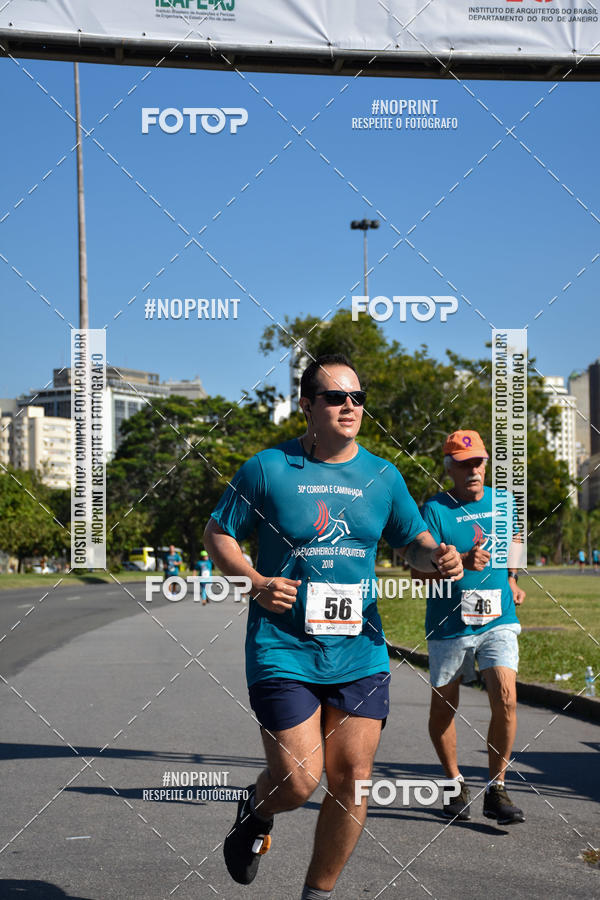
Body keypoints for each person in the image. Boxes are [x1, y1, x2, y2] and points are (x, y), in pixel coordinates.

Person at [203, 353, 463, 899]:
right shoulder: (267, 468)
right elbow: (219, 534)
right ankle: (255, 808)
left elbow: (412, 545)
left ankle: (317, 895)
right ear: (307, 406)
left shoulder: (383, 476)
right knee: (300, 781)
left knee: (351, 784)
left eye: (358, 398)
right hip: (283, 648)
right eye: (336, 397)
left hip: (360, 651)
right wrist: (254, 580)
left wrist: (438, 557)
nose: (350, 406)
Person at [412, 430, 526, 826]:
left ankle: (497, 788)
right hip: (450, 623)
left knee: (506, 697)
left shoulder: (504, 501)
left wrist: (512, 577)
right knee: (445, 706)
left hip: (499, 618)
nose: (473, 470)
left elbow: (514, 538)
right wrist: (459, 557)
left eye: (478, 461)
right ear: (450, 468)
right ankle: (453, 782)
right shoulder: (435, 511)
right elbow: (417, 572)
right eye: (464, 463)